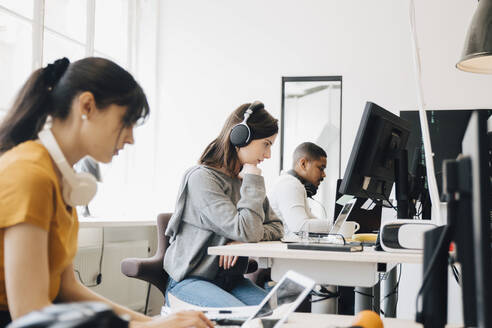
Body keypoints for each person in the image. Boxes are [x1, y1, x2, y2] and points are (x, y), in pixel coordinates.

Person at [0, 57, 212, 328]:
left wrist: (153, 322)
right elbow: (29, 314)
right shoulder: (30, 173)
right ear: (87, 106)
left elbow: (68, 289)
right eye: (127, 121)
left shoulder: (59, 178)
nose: (131, 138)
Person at [164, 101, 284, 307]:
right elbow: (247, 230)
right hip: (190, 281)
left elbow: (277, 227)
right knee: (244, 319)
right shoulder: (202, 178)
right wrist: (247, 234)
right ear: (240, 137)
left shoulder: (246, 181)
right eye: (266, 144)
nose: (268, 155)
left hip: (232, 281)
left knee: (276, 313)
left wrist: (242, 242)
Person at [269, 142, 330, 235]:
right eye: (321, 168)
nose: (324, 175)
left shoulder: (294, 184)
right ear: (303, 164)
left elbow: (310, 220)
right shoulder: (289, 184)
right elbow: (300, 227)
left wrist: (338, 225)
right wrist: (338, 224)